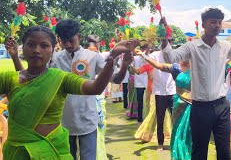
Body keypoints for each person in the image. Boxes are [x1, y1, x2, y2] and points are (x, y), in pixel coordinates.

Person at [1, 25, 139, 159]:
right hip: (62, 123)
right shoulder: (54, 59)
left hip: (86, 120)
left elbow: (110, 82)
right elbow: (29, 82)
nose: (67, 45)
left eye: (71, 40)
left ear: (79, 37)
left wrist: (116, 60)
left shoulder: (89, 59)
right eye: (63, 40)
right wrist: (15, 57)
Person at [161, 8, 231, 160]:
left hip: (221, 107)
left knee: (224, 151)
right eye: (213, 22)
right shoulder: (192, 47)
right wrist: (165, 39)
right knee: (199, 150)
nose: (217, 25)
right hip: (200, 107)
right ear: (204, 24)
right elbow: (170, 57)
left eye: (219, 22)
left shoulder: (225, 46)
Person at [132, 49, 172, 144]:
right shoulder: (148, 66)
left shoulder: (165, 65)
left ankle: (166, 134)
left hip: (163, 93)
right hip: (152, 93)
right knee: (153, 114)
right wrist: (129, 65)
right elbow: (138, 71)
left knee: (164, 116)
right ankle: (149, 135)